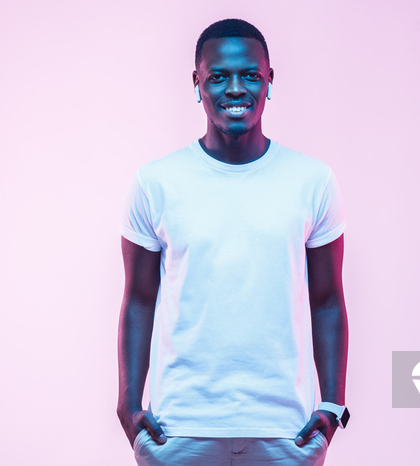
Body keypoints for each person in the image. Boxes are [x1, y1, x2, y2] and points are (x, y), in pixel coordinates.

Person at [117, 18, 349, 465]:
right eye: (219, 76)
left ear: (269, 81)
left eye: (251, 76)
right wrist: (128, 405)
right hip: (179, 429)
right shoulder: (156, 182)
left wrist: (332, 405)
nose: (236, 89)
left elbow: (327, 300)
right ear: (197, 82)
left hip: (286, 431)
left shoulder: (312, 180)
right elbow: (139, 300)